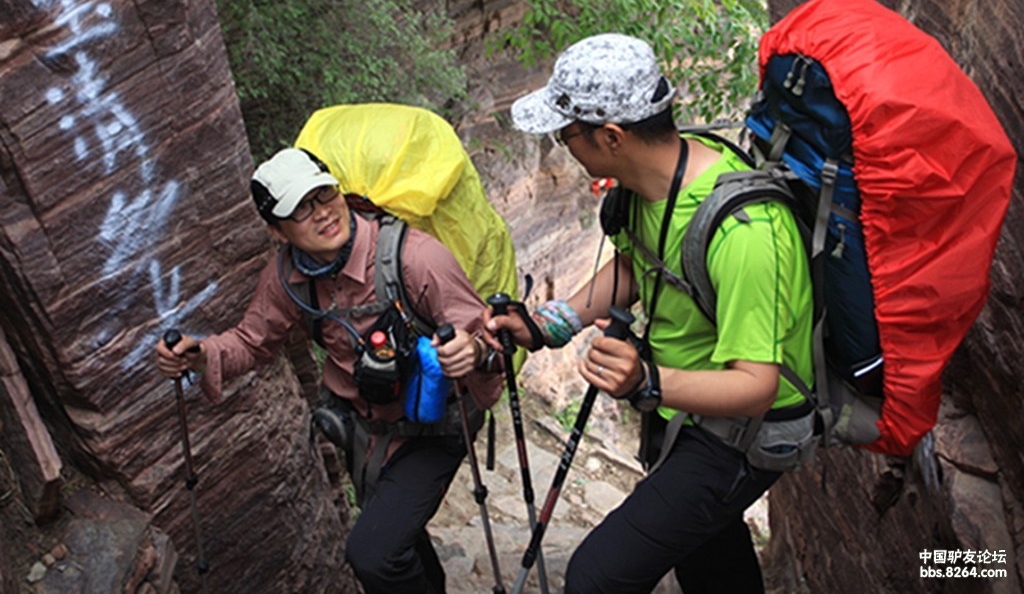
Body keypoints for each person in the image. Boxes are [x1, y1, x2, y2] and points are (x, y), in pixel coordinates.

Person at [483, 33, 815, 593]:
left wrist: (647, 381)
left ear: (612, 136)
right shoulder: (655, 182)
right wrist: (545, 326)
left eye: (567, 135)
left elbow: (758, 387)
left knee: (596, 576)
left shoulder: (747, 234)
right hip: (685, 409)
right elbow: (639, 263)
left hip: (742, 432)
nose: (564, 147)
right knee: (709, 561)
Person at [155, 147, 503, 594]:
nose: (321, 212)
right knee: (398, 541)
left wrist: (473, 351)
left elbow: (489, 342)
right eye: (300, 208)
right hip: (366, 433)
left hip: (435, 427)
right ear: (276, 230)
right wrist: (201, 354)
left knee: (373, 555)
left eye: (324, 194)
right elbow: (251, 342)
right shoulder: (287, 279)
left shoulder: (416, 259)